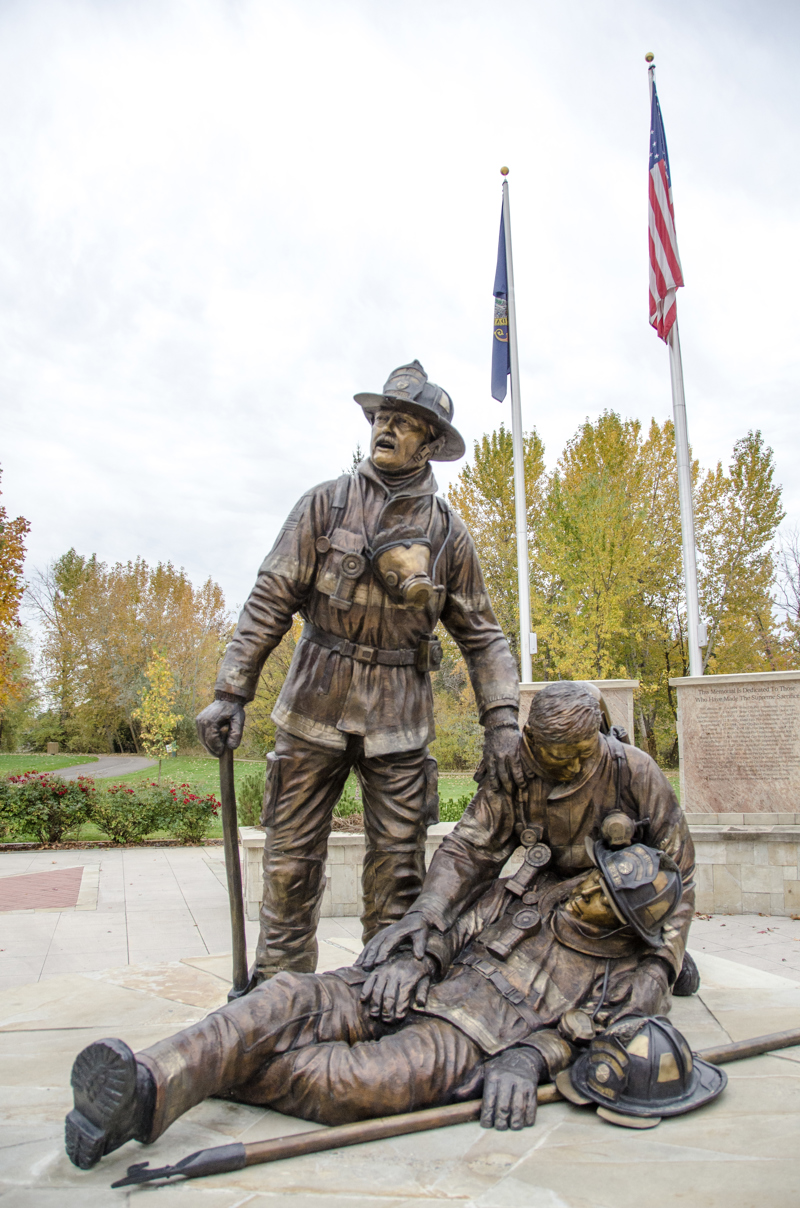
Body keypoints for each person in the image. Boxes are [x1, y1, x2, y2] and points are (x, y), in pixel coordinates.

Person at [65, 831, 686, 1170]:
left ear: (629, 926)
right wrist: (416, 959)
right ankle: (143, 1084)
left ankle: (196, 1071)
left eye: (606, 900)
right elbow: (455, 925)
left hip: (465, 1037)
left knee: (359, 1084)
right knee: (286, 997)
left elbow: (590, 1039)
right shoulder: (533, 892)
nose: (586, 896)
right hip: (418, 985)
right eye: (593, 881)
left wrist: (528, 1060)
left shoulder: (627, 977)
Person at [196, 360, 521, 983]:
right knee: (290, 862)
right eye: (381, 417)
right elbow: (270, 599)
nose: (386, 428)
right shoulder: (324, 504)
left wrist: (502, 723)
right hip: (314, 702)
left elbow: (484, 638)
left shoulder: (449, 535)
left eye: (403, 422)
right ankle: (277, 994)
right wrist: (230, 692)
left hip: (399, 716)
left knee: (398, 870)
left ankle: (384, 992)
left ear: (430, 442)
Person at [359, 680, 697, 999]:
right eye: (563, 757)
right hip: (545, 894)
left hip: (614, 904)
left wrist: (664, 961)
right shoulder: (513, 771)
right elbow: (469, 850)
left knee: (637, 975)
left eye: (586, 752)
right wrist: (426, 912)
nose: (578, 767)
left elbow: (679, 870)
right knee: (470, 938)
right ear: (531, 737)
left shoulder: (635, 769)